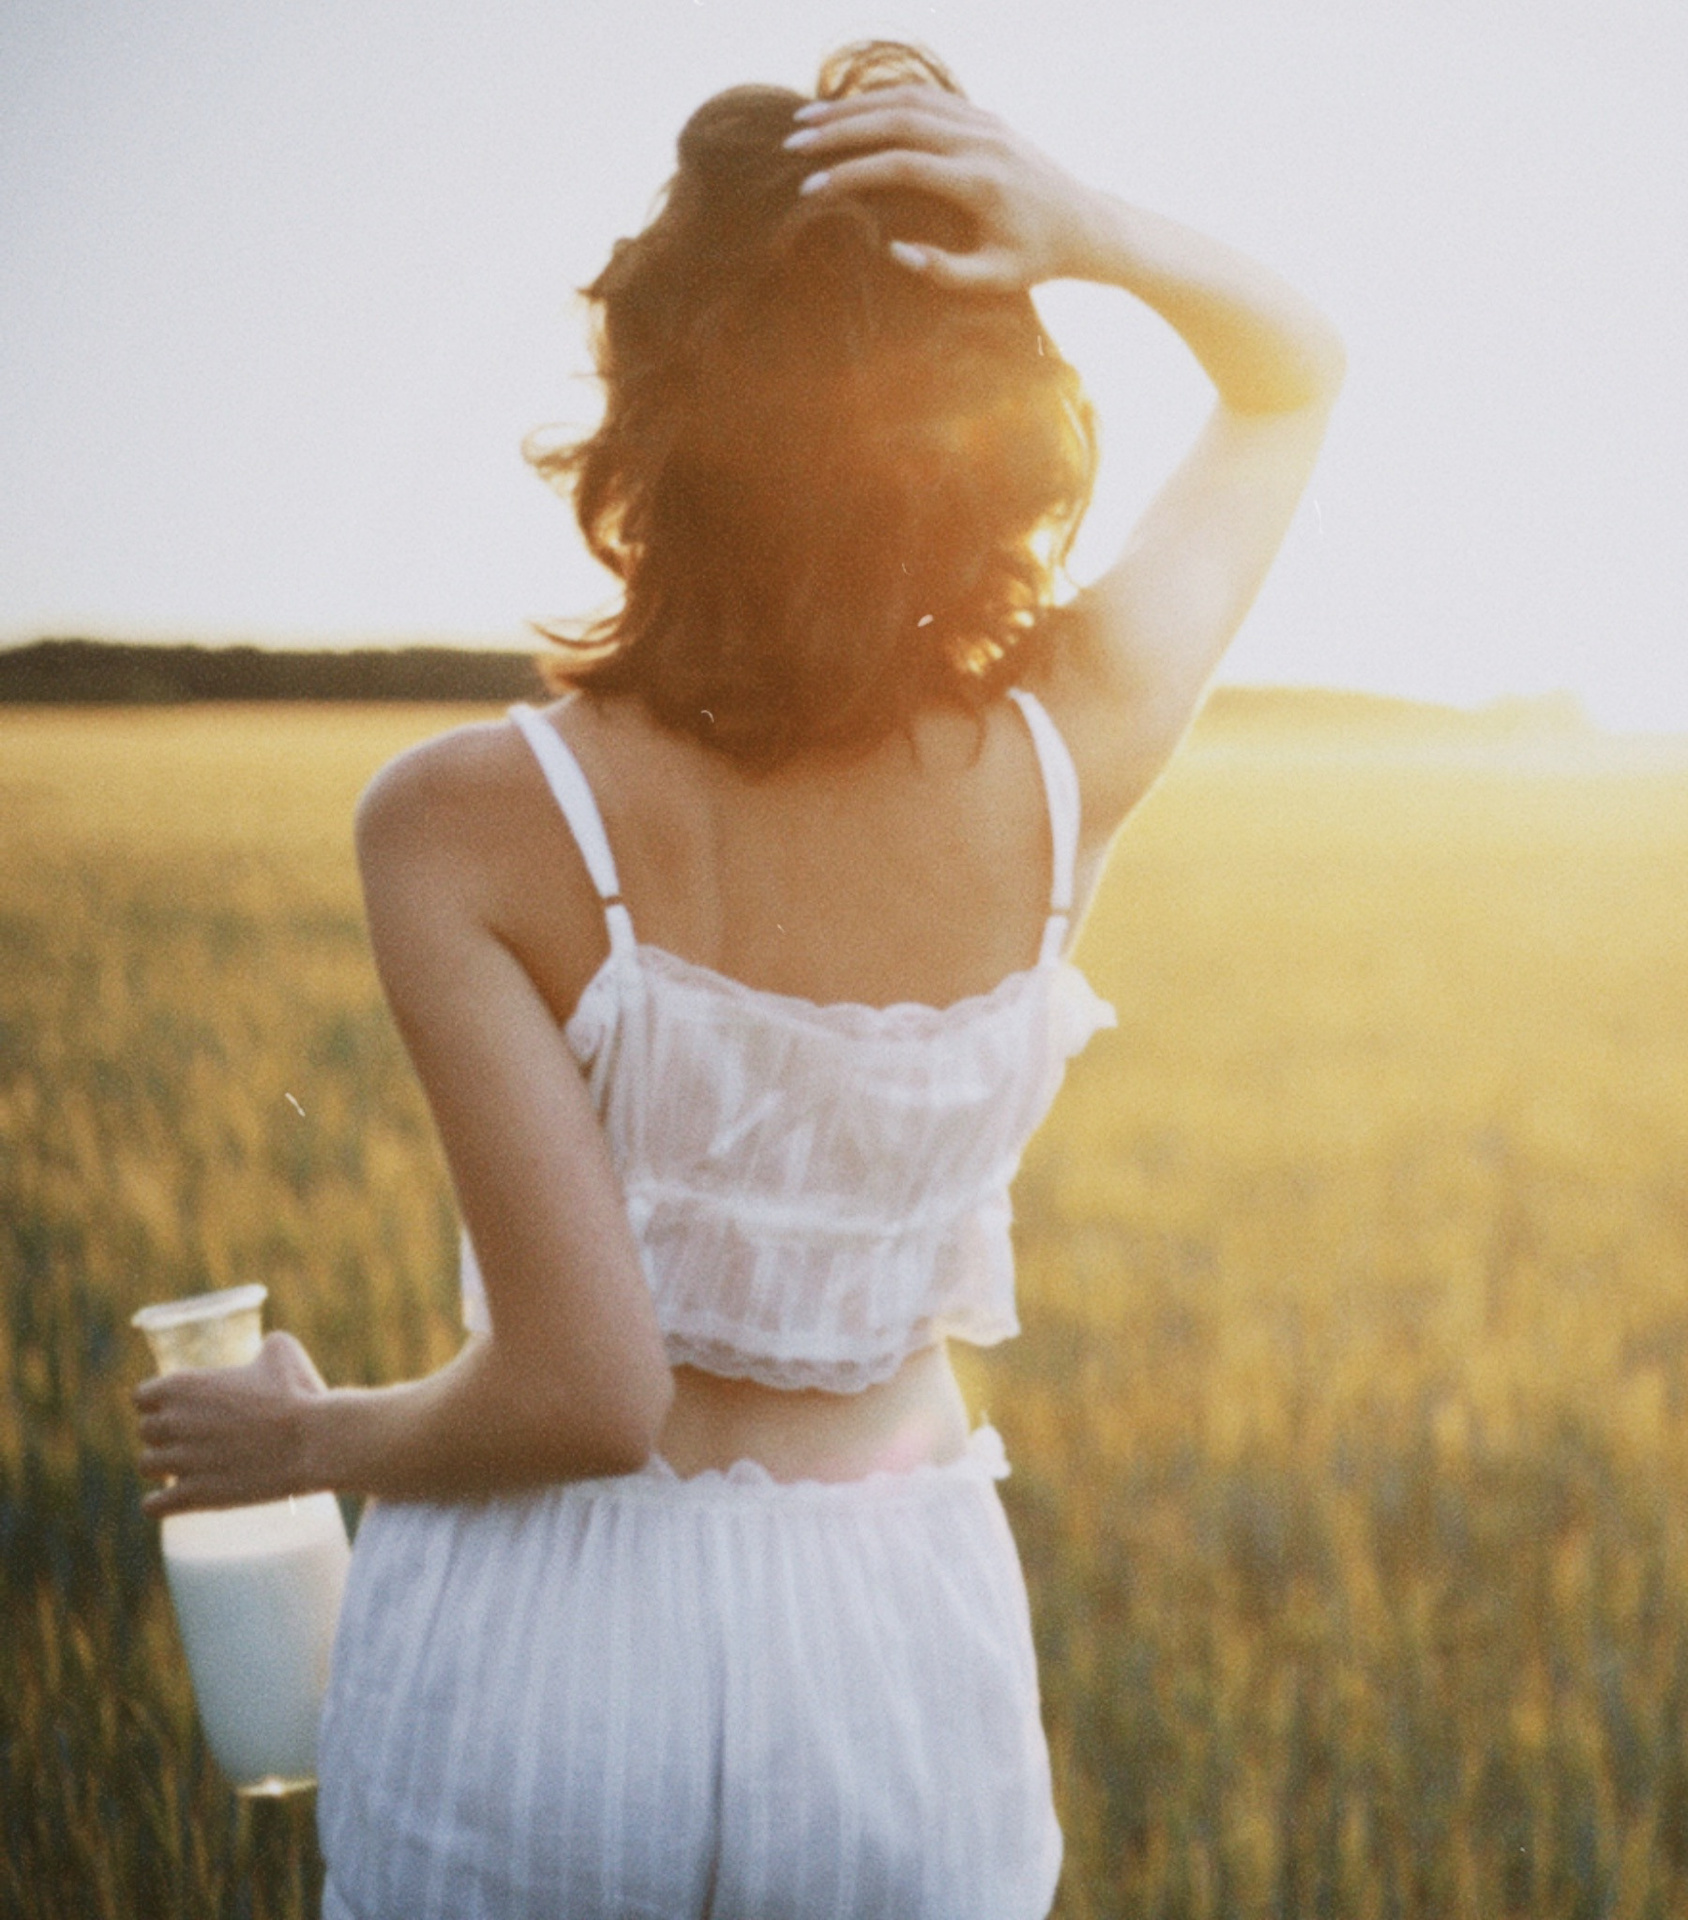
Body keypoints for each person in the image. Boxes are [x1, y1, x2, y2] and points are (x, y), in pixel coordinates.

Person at [130, 39, 1341, 1918]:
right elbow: (1293, 377)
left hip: (546, 1658)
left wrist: (293, 1438)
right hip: (893, 1658)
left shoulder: (468, 820)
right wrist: (1082, 225)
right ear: (984, 414)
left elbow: (588, 1395)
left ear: (651, 411)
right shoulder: (1068, 751)